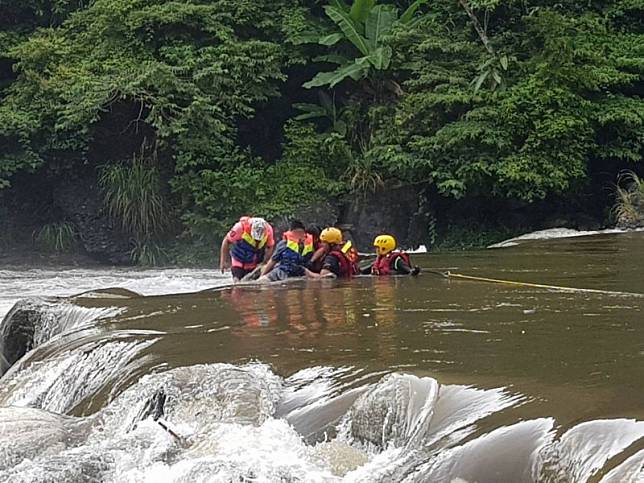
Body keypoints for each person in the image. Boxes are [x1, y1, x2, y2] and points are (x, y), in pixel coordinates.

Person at [219, 216, 275, 281]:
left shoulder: (269, 230)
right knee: (237, 283)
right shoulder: (239, 228)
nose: (257, 241)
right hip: (238, 260)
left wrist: (264, 262)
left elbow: (270, 246)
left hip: (255, 263)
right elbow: (226, 241)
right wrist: (223, 261)